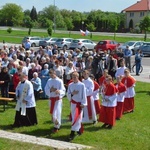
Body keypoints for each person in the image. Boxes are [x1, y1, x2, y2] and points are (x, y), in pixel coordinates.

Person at [67, 71, 87, 141]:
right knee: (74, 117)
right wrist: (72, 94)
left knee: (77, 118)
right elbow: (68, 95)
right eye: (73, 77)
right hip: (73, 103)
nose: (74, 78)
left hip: (79, 104)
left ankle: (72, 133)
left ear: (78, 77)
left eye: (75, 77)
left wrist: (83, 103)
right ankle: (78, 130)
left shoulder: (82, 85)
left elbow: (84, 95)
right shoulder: (70, 85)